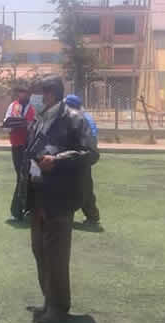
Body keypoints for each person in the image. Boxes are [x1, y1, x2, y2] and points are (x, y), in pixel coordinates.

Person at [22, 76, 96, 323]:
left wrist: (58, 160)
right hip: (37, 195)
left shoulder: (75, 119)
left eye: (36, 93)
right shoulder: (39, 119)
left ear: (50, 94)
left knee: (56, 254)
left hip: (60, 196)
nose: (32, 98)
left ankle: (58, 307)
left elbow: (90, 152)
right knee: (39, 250)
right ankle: (48, 299)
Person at [64, 94, 101, 226]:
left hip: (84, 154)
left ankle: (92, 216)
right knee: (84, 185)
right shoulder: (85, 116)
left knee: (84, 186)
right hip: (87, 154)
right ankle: (91, 216)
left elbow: (87, 139)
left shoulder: (78, 117)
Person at [3, 84, 36, 220]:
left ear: (29, 94)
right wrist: (10, 124)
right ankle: (21, 210)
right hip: (17, 146)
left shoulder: (35, 107)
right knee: (21, 177)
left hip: (31, 146)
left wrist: (28, 126)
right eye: (20, 92)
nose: (22, 95)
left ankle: (19, 210)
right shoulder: (13, 106)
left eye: (25, 92)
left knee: (29, 177)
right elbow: (6, 125)